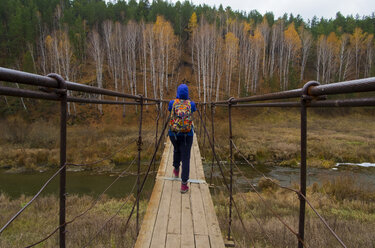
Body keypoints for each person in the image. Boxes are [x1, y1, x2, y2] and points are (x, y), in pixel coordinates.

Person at [168, 83, 196, 193]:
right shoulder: (191, 104)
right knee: (186, 157)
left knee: (176, 149)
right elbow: (194, 110)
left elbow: (169, 110)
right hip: (187, 135)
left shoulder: (172, 103)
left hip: (173, 134)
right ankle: (184, 185)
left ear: (178, 92)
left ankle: (176, 168)